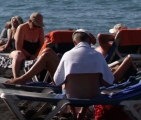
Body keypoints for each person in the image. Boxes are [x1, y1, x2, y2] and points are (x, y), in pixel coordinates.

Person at [7, 30, 138, 97]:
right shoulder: (97, 56)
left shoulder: (70, 54)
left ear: (75, 42)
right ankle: (23, 78)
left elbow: (58, 82)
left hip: (71, 90)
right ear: (89, 42)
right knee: (47, 51)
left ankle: (23, 78)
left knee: (47, 54)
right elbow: (108, 81)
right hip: (91, 90)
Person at [8, 12, 45, 79]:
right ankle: (16, 77)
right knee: (18, 54)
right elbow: (18, 47)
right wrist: (30, 56)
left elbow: (41, 46)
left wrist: (35, 55)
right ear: (30, 21)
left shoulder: (40, 29)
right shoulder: (22, 28)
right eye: (35, 25)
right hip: (19, 51)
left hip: (33, 54)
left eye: (38, 26)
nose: (36, 28)